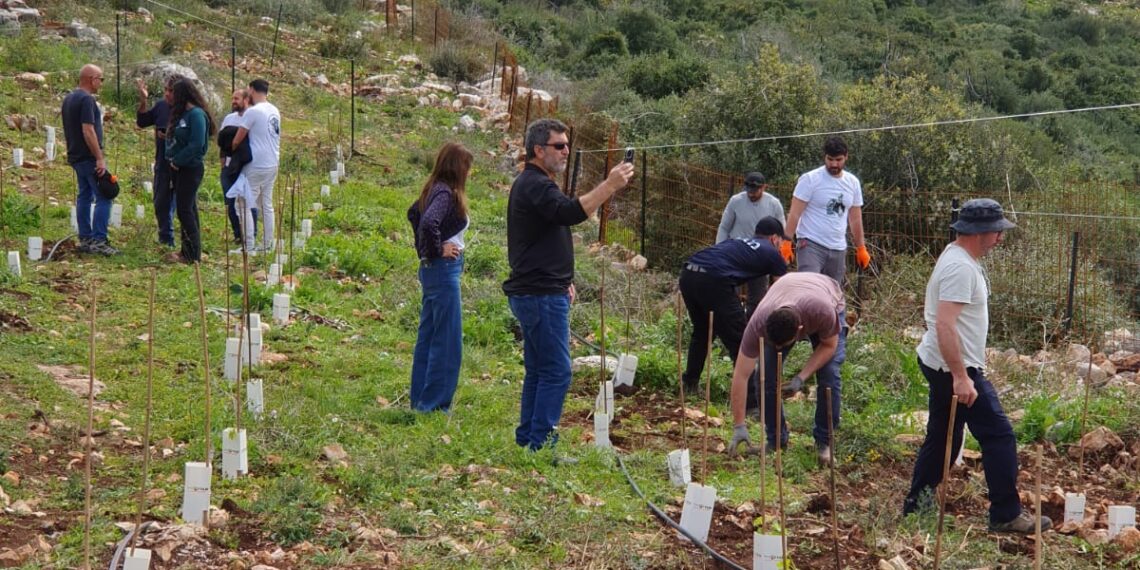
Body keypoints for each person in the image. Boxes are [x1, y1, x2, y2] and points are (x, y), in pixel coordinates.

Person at [902, 199, 1049, 533]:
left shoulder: (961, 258)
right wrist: (960, 376)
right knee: (999, 435)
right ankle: (1006, 514)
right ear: (980, 232)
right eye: (997, 231)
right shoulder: (960, 268)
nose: (1001, 237)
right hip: (953, 367)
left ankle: (916, 505)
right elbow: (945, 324)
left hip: (943, 363)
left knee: (943, 437)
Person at [504, 118, 634, 453]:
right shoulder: (535, 184)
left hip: (542, 290)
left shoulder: (536, 183)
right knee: (558, 372)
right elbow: (570, 213)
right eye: (559, 146)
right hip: (540, 295)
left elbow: (549, 229)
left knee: (539, 370)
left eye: (567, 145)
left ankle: (528, 440)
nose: (565, 151)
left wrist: (564, 279)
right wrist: (610, 185)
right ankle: (542, 445)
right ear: (538, 150)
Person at [727, 272, 846, 465]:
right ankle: (776, 441)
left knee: (829, 376)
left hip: (825, 294)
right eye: (775, 345)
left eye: (783, 345)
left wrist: (801, 377)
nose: (779, 350)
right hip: (785, 292)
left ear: (800, 331)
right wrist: (739, 424)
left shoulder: (822, 312)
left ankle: (824, 443)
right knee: (764, 376)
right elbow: (741, 374)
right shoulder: (759, 322)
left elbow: (829, 346)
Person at [680, 217, 789, 413]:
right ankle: (752, 404)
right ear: (774, 238)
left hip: (689, 273)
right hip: (714, 281)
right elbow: (783, 292)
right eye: (782, 241)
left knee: (703, 332)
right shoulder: (773, 254)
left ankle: (689, 383)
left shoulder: (739, 241)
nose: (782, 246)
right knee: (741, 341)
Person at [407, 142, 473, 413]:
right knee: (447, 341)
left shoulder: (433, 187)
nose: (469, 174)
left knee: (430, 335)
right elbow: (428, 222)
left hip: (434, 270)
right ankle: (434, 405)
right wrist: (435, 250)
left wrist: (424, 252)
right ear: (458, 167)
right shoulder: (446, 193)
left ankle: (421, 399)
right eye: (467, 168)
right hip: (444, 271)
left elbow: (413, 213)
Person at [783, 136, 870, 285]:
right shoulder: (810, 179)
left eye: (839, 160)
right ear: (824, 157)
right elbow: (795, 213)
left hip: (838, 247)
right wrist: (786, 241)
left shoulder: (852, 183)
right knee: (810, 289)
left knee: (833, 294)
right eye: (830, 159)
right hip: (811, 244)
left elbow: (855, 219)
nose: (834, 164)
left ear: (846, 157)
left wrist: (861, 247)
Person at [62, 64, 117, 256]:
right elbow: (88, 129)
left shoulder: (69, 98)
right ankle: (99, 240)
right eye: (100, 79)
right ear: (91, 78)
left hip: (76, 155)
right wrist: (99, 158)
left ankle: (85, 238)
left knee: (85, 195)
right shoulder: (87, 100)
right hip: (88, 157)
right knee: (105, 195)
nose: (101, 83)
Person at [716, 172, 786, 316]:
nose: (751, 194)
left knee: (758, 297)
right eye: (749, 191)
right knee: (730, 295)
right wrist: (719, 251)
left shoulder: (773, 204)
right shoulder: (736, 201)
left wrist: (780, 255)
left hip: (761, 257)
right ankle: (733, 326)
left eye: (755, 191)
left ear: (764, 187)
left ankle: (753, 327)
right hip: (736, 255)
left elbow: (781, 231)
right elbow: (724, 227)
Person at [164, 78, 215, 264]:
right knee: (188, 209)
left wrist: (178, 160)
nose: (170, 96)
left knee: (185, 211)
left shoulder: (196, 115)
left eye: (174, 93)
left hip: (190, 168)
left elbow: (197, 144)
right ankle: (188, 250)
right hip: (179, 168)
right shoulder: (183, 115)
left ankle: (192, 254)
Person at [231, 79, 280, 254]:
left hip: (256, 163)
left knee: (242, 203)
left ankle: (249, 246)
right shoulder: (274, 110)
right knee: (266, 203)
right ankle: (268, 244)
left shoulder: (253, 112)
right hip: (273, 162)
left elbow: (238, 138)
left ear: (251, 90)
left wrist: (231, 150)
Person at [135, 74, 184, 248]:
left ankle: (186, 242)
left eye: (171, 91)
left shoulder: (189, 110)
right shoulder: (161, 106)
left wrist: (172, 137)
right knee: (160, 201)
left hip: (182, 165)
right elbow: (142, 122)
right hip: (162, 163)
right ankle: (166, 238)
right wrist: (143, 101)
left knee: (182, 205)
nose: (167, 94)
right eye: (165, 90)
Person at [218, 88, 257, 244]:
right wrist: (223, 165)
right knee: (230, 200)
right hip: (228, 166)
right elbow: (222, 143)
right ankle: (238, 234)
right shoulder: (229, 119)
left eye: (237, 98)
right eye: (232, 98)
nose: (234, 101)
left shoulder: (253, 117)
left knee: (248, 200)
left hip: (245, 166)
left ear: (246, 100)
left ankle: (251, 233)